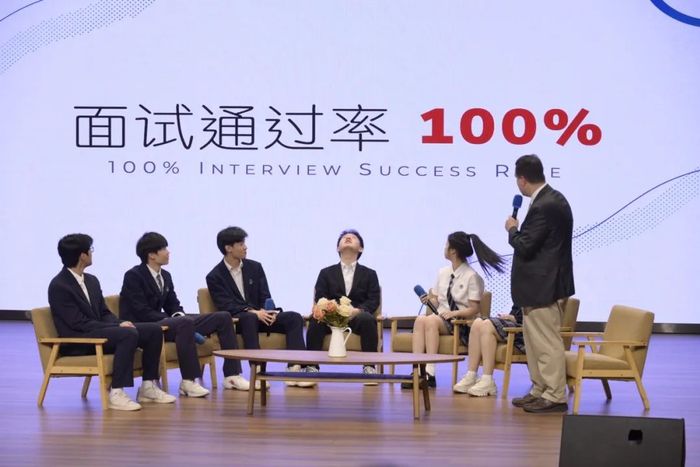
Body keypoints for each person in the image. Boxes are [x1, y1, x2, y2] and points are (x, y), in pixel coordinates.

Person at [48, 234, 175, 411]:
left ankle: (148, 386)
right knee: (126, 334)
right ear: (82, 256)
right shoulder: (59, 286)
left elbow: (104, 313)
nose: (92, 253)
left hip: (98, 331)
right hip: (79, 339)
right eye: (90, 250)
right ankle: (116, 392)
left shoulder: (91, 280)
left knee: (153, 330)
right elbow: (78, 323)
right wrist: (116, 326)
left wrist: (119, 322)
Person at [119, 232, 250, 395]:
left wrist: (178, 314)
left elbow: (173, 304)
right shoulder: (133, 276)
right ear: (151, 255)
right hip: (143, 326)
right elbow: (141, 310)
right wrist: (174, 319)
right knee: (184, 322)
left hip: (165, 322)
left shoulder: (165, 276)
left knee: (223, 317)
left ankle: (232, 375)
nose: (168, 252)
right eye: (163, 249)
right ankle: (188, 380)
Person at [505, 154, 575, 413]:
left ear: (522, 179)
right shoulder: (550, 199)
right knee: (534, 342)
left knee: (546, 342)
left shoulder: (545, 204)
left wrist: (512, 229)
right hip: (537, 286)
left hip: (544, 286)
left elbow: (525, 245)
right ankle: (540, 389)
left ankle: (555, 395)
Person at [205, 226, 306, 389]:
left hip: (261, 316)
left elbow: (265, 295)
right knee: (249, 317)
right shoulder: (215, 276)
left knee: (294, 317)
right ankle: (258, 372)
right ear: (228, 248)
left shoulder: (255, 267)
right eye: (240, 244)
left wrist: (268, 311)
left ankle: (295, 369)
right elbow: (226, 305)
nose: (245, 247)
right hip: (239, 321)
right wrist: (253, 312)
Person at [404, 231, 504, 389]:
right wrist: (429, 301)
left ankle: (430, 372)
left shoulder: (472, 277)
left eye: (446, 245)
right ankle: (417, 371)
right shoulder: (443, 273)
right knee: (421, 320)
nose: (444, 248)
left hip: (461, 323)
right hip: (442, 318)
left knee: (431, 321)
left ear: (453, 251)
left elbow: (474, 309)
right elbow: (437, 300)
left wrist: (453, 313)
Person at [304, 229, 381, 388]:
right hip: (331, 316)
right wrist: (332, 310)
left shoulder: (370, 274)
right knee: (315, 320)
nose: (348, 238)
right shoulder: (326, 273)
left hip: (356, 317)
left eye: (353, 237)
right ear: (337, 248)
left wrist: (358, 310)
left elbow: (373, 300)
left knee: (367, 319)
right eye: (344, 237)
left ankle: (369, 367)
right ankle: (311, 367)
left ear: (361, 249)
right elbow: (320, 297)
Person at [453, 304, 524, 395]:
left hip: (524, 328)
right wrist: (509, 316)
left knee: (487, 325)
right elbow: (517, 308)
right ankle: (471, 375)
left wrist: (515, 318)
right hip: (514, 321)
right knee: (477, 322)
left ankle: (487, 379)